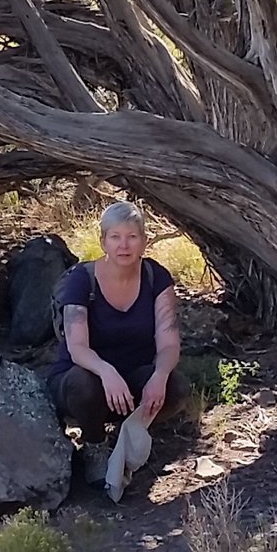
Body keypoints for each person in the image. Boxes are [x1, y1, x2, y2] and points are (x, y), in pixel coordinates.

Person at [48, 200, 182, 487]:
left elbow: (169, 342)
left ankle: (128, 436)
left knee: (175, 386)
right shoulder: (82, 280)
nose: (124, 245)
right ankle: (95, 445)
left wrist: (159, 375)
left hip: (133, 376)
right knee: (85, 384)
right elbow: (77, 347)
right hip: (82, 379)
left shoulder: (155, 278)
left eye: (132, 237)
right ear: (103, 241)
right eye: (116, 237)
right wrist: (107, 372)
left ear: (144, 241)